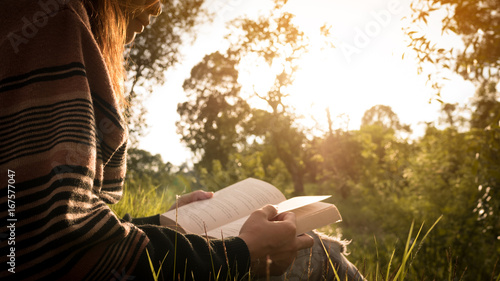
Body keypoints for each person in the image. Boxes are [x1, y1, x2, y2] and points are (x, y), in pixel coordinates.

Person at [0, 0, 365, 280]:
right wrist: (240, 255)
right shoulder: (51, 19)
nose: (159, 6)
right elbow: (51, 246)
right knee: (313, 249)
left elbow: (46, 224)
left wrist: (161, 221)